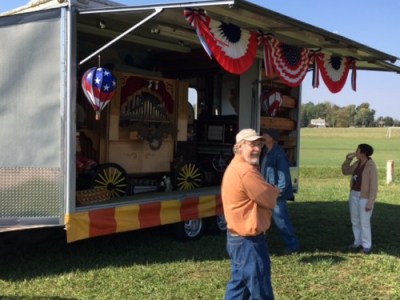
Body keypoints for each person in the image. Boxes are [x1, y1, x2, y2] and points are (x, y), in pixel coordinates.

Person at [221, 128, 280, 300]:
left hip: (236, 238)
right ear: (239, 147)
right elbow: (268, 198)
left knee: (239, 288)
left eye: (259, 144)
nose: (257, 148)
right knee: (260, 289)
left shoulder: (236, 166)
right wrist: (274, 191)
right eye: (252, 144)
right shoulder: (246, 171)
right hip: (249, 242)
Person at [260, 129, 300, 255]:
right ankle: (262, 245)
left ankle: (293, 245)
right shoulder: (266, 151)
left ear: (272, 138)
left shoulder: (278, 153)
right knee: (263, 220)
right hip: (267, 192)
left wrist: (279, 192)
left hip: (275, 194)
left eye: (265, 133)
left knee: (281, 221)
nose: (263, 135)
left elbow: (284, 176)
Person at [341, 143, 378, 254]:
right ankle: (357, 242)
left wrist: (370, 202)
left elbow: (374, 186)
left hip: (364, 197)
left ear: (363, 153)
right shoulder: (357, 163)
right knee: (355, 220)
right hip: (354, 195)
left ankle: (366, 246)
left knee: (364, 222)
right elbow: (345, 171)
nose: (355, 152)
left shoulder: (371, 166)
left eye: (357, 151)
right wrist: (348, 159)